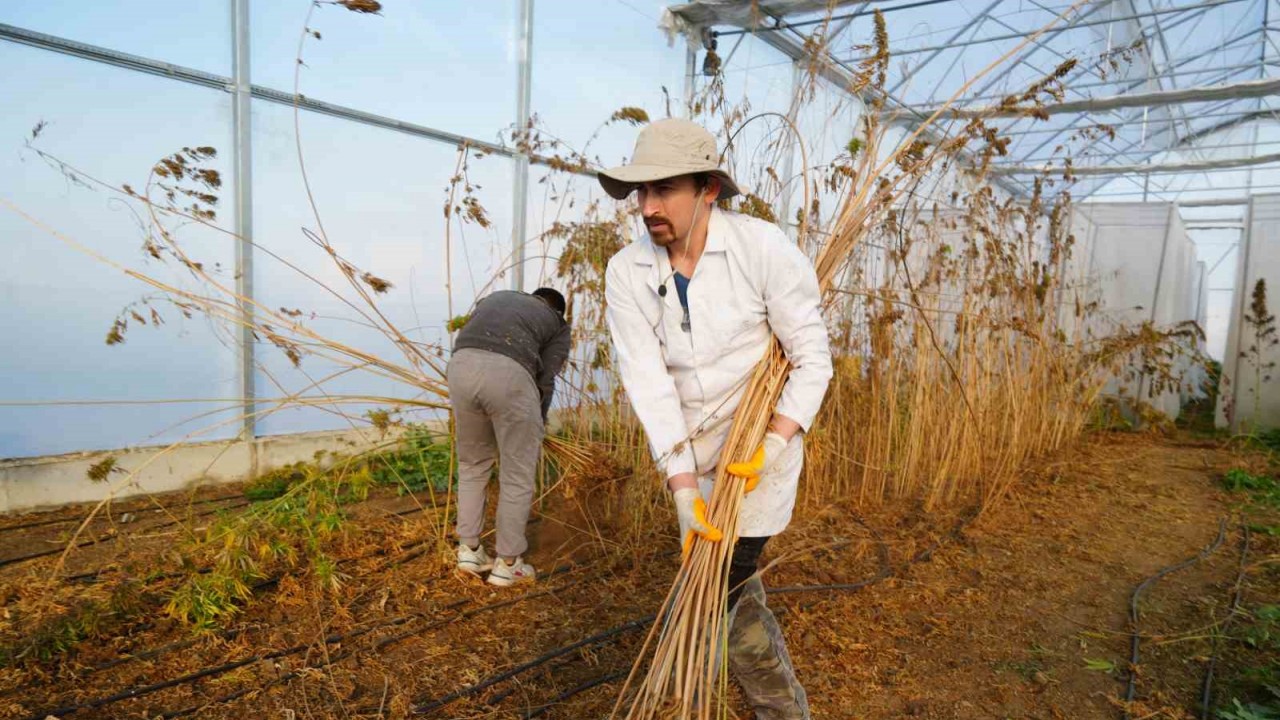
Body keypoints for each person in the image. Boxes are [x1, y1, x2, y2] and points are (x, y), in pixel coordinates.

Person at [601, 118, 832, 719]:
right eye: (641, 193)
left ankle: (718, 705)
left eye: (664, 189)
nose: (648, 206)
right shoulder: (626, 272)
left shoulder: (762, 249)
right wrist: (681, 487)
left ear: (707, 189)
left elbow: (813, 360)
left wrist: (774, 445)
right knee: (731, 593)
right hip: (691, 465)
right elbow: (649, 384)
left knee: (711, 596)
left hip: (757, 462)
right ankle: (784, 709)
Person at [448, 287, 571, 587]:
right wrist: (537, 424)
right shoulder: (557, 324)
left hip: (460, 365)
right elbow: (546, 379)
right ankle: (508, 564)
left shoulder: (498, 296)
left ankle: (469, 550)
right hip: (510, 374)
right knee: (517, 474)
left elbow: (473, 323)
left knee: (472, 464)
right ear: (557, 310)